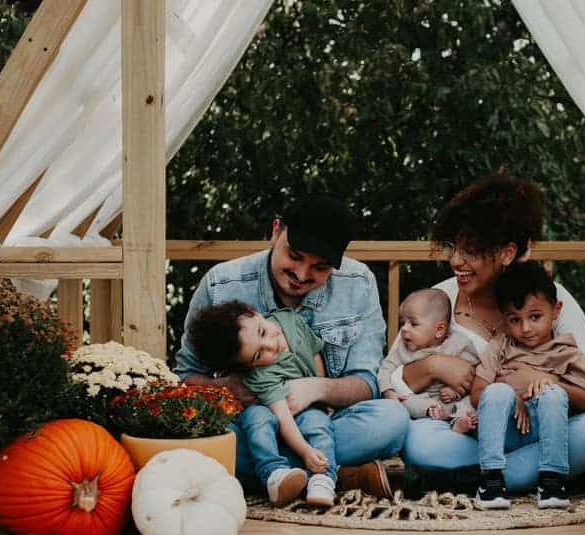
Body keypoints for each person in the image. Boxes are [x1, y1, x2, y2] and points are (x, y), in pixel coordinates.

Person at [174, 194, 409, 500]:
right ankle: (333, 473)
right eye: (295, 256)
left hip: (324, 421)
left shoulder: (359, 282)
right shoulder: (222, 283)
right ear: (275, 231)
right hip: (254, 424)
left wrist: (316, 388)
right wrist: (228, 388)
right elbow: (186, 377)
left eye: (320, 267)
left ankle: (277, 473)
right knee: (209, 434)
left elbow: (366, 383)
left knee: (392, 420)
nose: (301, 275)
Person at [398, 174, 585, 496]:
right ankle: (552, 471)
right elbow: (391, 381)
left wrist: (548, 381)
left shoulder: (548, 299)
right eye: (453, 247)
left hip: (540, 427)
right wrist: (432, 366)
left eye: (470, 251)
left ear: (507, 253)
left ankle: (472, 481)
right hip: (462, 433)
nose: (456, 260)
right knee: (419, 443)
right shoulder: (437, 301)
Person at [188, 301, 337, 507]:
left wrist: (320, 392)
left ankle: (323, 478)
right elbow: (283, 417)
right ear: (249, 366)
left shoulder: (290, 320)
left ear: (254, 313)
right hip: (277, 417)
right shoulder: (262, 375)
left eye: (262, 331)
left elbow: (314, 353)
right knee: (257, 419)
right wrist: (305, 451)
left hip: (307, 409)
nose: (270, 345)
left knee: (317, 422)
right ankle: (275, 474)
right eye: (259, 354)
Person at [471, 261, 585, 510]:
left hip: (548, 433)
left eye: (535, 317)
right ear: (504, 319)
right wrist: (511, 395)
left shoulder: (566, 351)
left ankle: (552, 480)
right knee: (497, 390)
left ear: (556, 310)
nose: (525, 329)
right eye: (515, 320)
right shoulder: (500, 346)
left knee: (554, 396)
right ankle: (491, 479)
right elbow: (477, 392)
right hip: (505, 433)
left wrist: (552, 381)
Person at [377, 289, 479, 433]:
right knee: (405, 403)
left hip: (454, 400)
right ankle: (434, 412)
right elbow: (386, 368)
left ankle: (460, 422)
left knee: (468, 404)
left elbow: (473, 372)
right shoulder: (403, 346)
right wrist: (388, 392)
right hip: (423, 400)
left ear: (439, 329)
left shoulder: (459, 343)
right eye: (402, 323)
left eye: (413, 324)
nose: (404, 329)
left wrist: (456, 391)